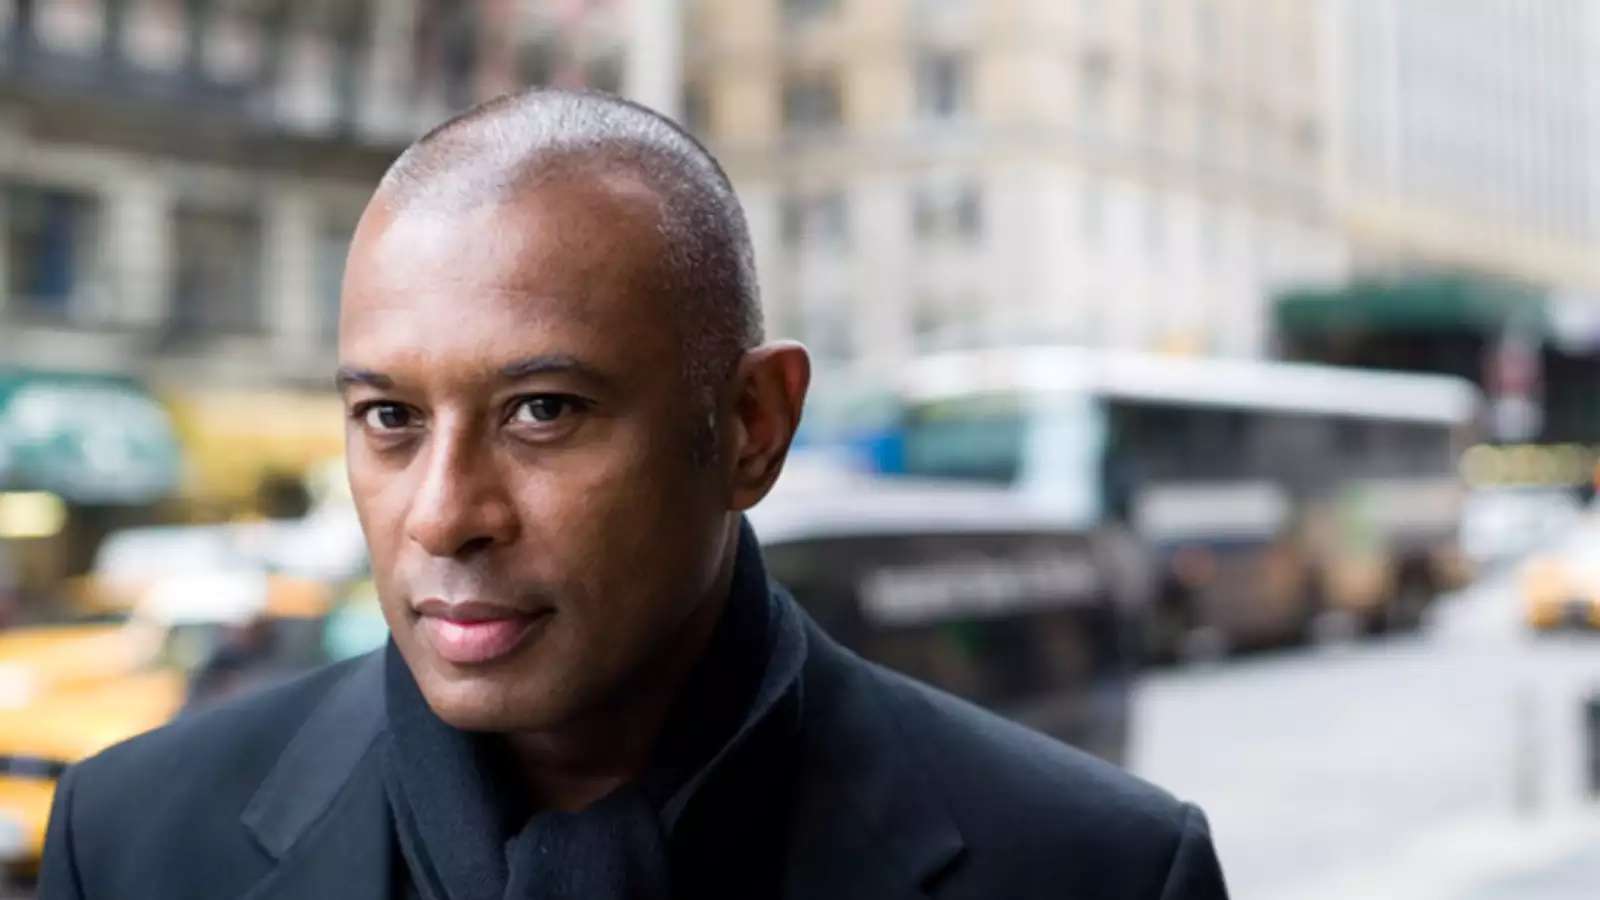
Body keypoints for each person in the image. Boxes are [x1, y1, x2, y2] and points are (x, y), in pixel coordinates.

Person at [40, 89, 1228, 900]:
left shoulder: (1097, 871)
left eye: (542, 412)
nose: (445, 515)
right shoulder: (138, 841)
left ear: (752, 428)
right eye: (390, 420)